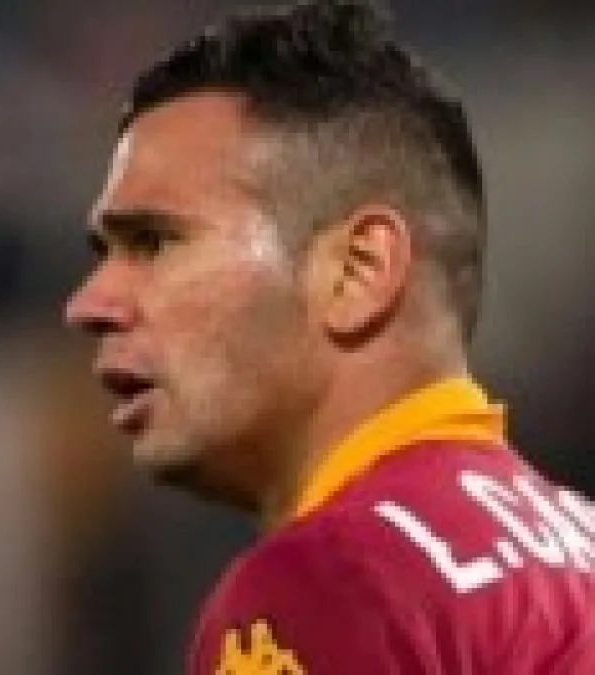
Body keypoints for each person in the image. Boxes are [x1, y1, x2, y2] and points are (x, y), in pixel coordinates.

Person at [64, 0, 595, 672]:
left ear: (358, 271)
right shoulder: (574, 553)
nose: (90, 303)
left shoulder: (331, 580)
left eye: (155, 241)